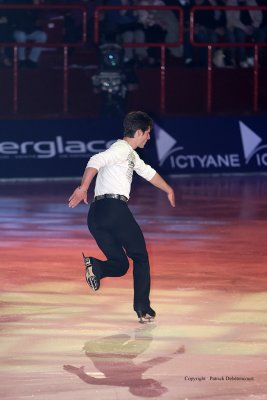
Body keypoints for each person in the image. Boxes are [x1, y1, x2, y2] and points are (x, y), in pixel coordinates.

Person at [68, 111, 175, 323]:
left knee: (120, 265)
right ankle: (143, 308)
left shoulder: (131, 155)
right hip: (114, 209)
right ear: (138, 132)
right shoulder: (121, 150)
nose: (148, 137)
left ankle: (96, 267)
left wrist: (168, 189)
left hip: (96, 217)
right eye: (147, 133)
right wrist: (83, 188)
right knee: (141, 257)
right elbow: (95, 160)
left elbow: (148, 172)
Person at [12, 0, 48, 68]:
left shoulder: (35, 4)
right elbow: (18, 18)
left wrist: (36, 6)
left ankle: (32, 60)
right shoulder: (19, 2)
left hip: (31, 30)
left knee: (42, 35)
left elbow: (40, 16)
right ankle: (21, 60)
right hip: (18, 30)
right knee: (21, 36)